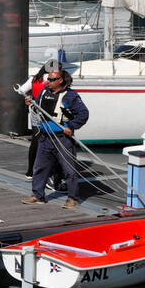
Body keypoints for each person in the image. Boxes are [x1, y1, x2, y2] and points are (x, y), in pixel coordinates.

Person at [21, 68, 90, 208]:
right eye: (48, 79)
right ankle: (38, 195)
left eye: (52, 80)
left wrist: (72, 126)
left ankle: (72, 198)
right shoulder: (43, 92)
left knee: (69, 170)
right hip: (45, 137)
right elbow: (37, 109)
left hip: (62, 139)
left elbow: (83, 114)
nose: (48, 82)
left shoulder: (70, 96)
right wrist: (31, 104)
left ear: (60, 80)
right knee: (39, 167)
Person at [18, 56, 61, 179]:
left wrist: (30, 97)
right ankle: (51, 172)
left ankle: (29, 171)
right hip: (50, 114)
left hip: (36, 112)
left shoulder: (34, 79)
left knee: (35, 141)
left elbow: (21, 90)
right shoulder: (54, 80)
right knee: (53, 141)